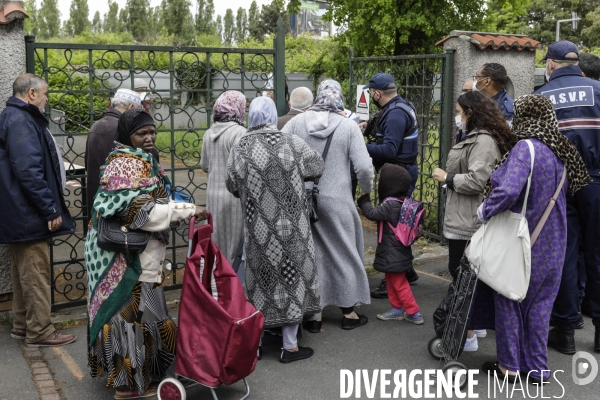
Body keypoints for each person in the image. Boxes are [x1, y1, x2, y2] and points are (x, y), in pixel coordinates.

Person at [85, 109, 208, 398]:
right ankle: (129, 385)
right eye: (142, 133)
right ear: (128, 136)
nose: (149, 137)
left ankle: (148, 375)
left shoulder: (142, 160)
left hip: (141, 254)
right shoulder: (125, 165)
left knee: (146, 314)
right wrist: (188, 210)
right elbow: (140, 212)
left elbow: (153, 198)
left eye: (152, 132)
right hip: (127, 259)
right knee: (131, 319)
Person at [469, 94, 590, 383]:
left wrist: (484, 210)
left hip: (524, 241)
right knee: (540, 306)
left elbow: (509, 190)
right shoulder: (560, 149)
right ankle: (538, 368)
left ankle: (509, 367)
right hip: (555, 242)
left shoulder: (526, 148)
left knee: (510, 299)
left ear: (523, 116)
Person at [226, 97, 324, 363]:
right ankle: (289, 346)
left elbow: (231, 184)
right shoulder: (291, 141)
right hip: (293, 229)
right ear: (272, 115)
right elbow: (317, 166)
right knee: (291, 280)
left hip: (259, 231)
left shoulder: (241, 146)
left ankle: (255, 346)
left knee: (260, 282)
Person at [282, 86, 374, 331]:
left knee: (312, 254)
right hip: (338, 199)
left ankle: (315, 314)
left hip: (302, 199)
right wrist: (367, 189)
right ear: (339, 100)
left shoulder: (297, 123)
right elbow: (364, 167)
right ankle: (348, 311)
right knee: (344, 250)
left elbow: (278, 152)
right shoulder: (348, 126)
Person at [432, 90, 516, 350]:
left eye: (459, 113)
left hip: (468, 221)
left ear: (471, 113)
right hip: (464, 216)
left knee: (462, 276)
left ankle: (465, 335)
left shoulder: (483, 141)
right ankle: (471, 329)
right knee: (469, 277)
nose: (457, 118)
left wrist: (447, 178)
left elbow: (477, 181)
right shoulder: (476, 137)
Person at [0, 74, 76, 347]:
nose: (46, 100)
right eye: (44, 94)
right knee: (36, 274)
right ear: (31, 94)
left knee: (24, 274)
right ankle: (41, 332)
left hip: (19, 213)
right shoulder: (20, 119)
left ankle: (22, 327)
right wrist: (50, 208)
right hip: (27, 213)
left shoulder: (14, 116)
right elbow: (29, 171)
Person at [534, 40, 600, 354]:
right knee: (597, 254)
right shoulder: (598, 91)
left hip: (558, 184)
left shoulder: (539, 97)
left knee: (565, 254)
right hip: (597, 182)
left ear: (550, 64)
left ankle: (565, 331)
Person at [360, 73, 421, 300]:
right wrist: (366, 128)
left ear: (377, 93)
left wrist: (359, 144)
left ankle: (393, 280)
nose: (371, 96)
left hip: (397, 172)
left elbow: (389, 150)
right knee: (400, 225)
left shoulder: (395, 114)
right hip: (399, 171)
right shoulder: (399, 105)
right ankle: (408, 271)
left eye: (371, 93)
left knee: (392, 229)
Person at [358, 164, 423, 324]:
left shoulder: (390, 205)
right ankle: (397, 309)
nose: (378, 184)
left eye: (381, 180)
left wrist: (363, 199)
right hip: (397, 251)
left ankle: (413, 312)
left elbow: (371, 214)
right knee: (391, 280)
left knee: (399, 283)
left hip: (393, 253)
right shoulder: (401, 201)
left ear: (390, 184)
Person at [200, 91, 246, 264]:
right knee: (234, 245)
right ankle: (230, 284)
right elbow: (241, 169)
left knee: (216, 241)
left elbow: (204, 165)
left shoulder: (208, 133)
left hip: (213, 195)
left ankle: (215, 282)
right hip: (233, 197)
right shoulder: (239, 133)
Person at [85, 89, 142, 219]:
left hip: (97, 196)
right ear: (131, 107)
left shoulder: (96, 125)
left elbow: (88, 162)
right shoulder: (124, 129)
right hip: (117, 200)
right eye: (138, 110)